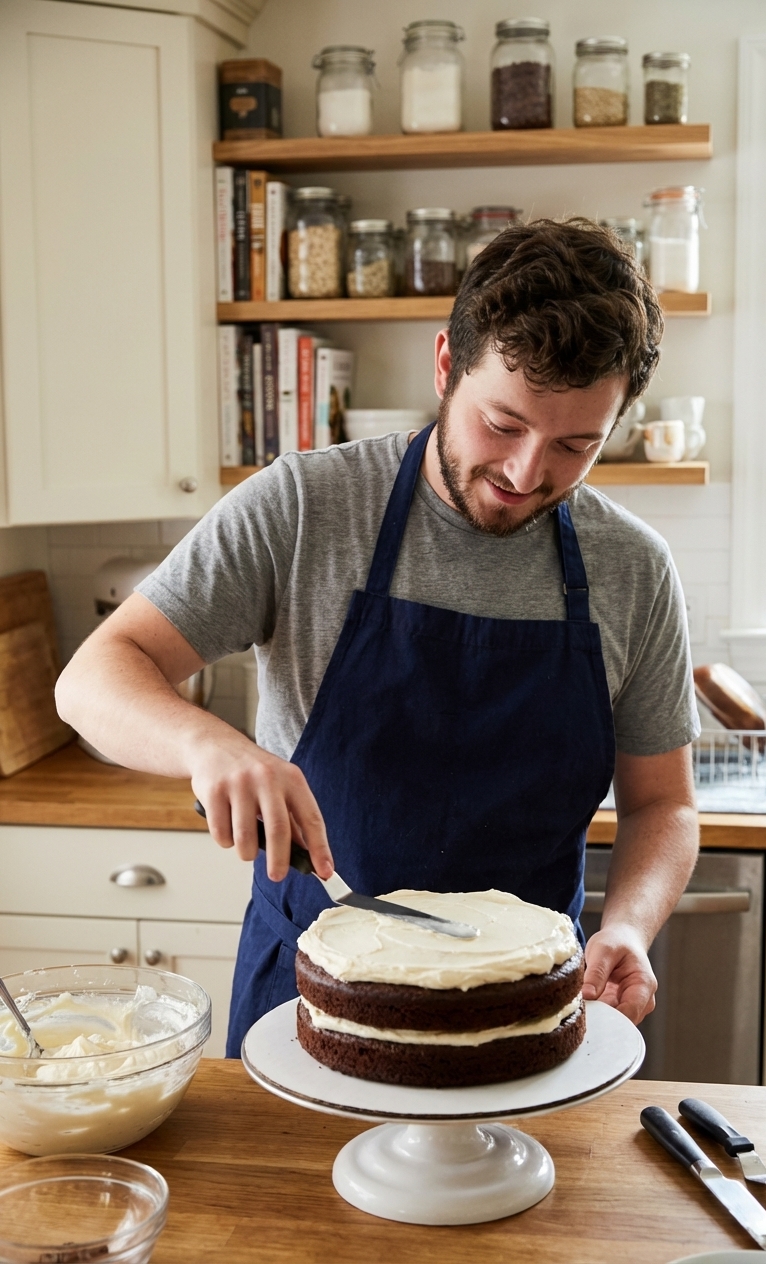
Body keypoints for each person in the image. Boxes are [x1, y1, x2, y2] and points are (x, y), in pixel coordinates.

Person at [56, 218, 700, 1057]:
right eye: (501, 424)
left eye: (576, 445)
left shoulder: (633, 570)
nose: (524, 474)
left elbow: (664, 801)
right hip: (305, 1005)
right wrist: (208, 745)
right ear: (444, 365)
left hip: (522, 1019)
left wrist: (630, 927)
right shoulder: (302, 508)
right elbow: (93, 678)